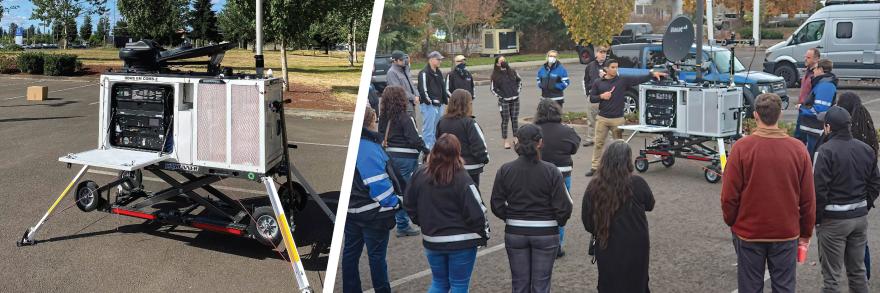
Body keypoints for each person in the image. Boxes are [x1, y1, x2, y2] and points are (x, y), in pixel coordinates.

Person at [721, 93, 816, 293]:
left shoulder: (741, 148)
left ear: (755, 115)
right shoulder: (798, 150)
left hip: (749, 231)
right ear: (780, 115)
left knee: (750, 286)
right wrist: (805, 232)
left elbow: (729, 195)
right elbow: (808, 198)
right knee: (784, 287)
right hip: (785, 232)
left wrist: (732, 221)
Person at [490, 124, 573, 293]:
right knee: (541, 285)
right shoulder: (551, 171)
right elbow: (565, 206)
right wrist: (556, 222)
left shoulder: (505, 170)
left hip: (515, 231)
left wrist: (511, 217)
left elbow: (496, 203)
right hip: (545, 232)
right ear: (540, 143)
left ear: (517, 142)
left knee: (519, 284)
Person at [405, 134, 490, 293]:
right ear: (457, 152)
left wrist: (422, 222)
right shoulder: (462, 177)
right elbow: (477, 210)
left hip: (432, 239)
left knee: (439, 283)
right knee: (459, 285)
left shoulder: (419, 174)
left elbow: (409, 203)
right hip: (462, 241)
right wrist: (484, 234)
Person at [812, 106, 880, 293]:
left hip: (833, 221)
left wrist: (817, 219)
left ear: (828, 127)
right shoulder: (866, 149)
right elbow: (875, 183)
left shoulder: (825, 151)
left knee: (832, 278)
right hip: (859, 219)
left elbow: (818, 190)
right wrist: (863, 206)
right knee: (858, 272)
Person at [343, 107, 406, 293]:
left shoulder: (354, 144)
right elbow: (379, 186)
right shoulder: (368, 148)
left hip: (351, 212)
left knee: (350, 255)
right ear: (370, 122)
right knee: (376, 258)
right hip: (372, 214)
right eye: (376, 120)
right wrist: (397, 202)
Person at [582, 140, 655, 292]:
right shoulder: (637, 183)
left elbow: (588, 221)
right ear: (627, 160)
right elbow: (650, 205)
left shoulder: (594, 186)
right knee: (637, 282)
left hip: (607, 242)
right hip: (636, 244)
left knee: (609, 282)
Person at [585, 59, 666, 177]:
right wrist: (602, 96)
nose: (615, 69)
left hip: (617, 119)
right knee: (598, 143)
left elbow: (638, 79)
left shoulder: (622, 80)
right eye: (612, 67)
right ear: (606, 69)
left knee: (619, 146)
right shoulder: (598, 82)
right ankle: (594, 167)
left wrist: (651, 74)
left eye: (616, 67)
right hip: (602, 118)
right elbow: (592, 98)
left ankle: (620, 168)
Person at [836, 92, 880, 280]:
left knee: (837, 246)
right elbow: (875, 178)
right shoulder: (867, 127)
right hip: (861, 202)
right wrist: (868, 201)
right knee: (860, 243)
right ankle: (863, 278)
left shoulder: (845, 132)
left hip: (839, 204)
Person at [378, 86, 428, 237]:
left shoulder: (384, 117)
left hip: (389, 156)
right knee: (407, 191)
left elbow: (380, 136)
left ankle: (399, 221)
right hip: (406, 158)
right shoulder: (406, 117)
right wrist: (426, 150)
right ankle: (403, 224)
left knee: (396, 190)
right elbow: (414, 139)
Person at [534, 99, 580, 258]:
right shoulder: (566, 131)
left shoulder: (534, 130)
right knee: (560, 208)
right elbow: (574, 148)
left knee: (540, 207)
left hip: (538, 174)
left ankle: (538, 241)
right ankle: (557, 245)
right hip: (562, 174)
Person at [436, 89, 489, 188]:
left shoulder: (442, 121)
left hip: (449, 167)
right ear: (467, 105)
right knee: (471, 197)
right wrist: (484, 159)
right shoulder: (470, 123)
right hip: (470, 167)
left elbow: (438, 142)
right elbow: (479, 146)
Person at [799, 58, 838, 156]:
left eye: (815, 68)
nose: (813, 71)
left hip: (817, 131)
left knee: (814, 159)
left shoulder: (825, 86)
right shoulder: (822, 83)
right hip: (814, 130)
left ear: (821, 69)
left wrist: (802, 108)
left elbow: (820, 111)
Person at [418, 51, 449, 149]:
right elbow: (423, 90)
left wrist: (445, 100)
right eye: (438, 59)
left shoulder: (438, 72)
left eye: (440, 59)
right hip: (429, 106)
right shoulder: (424, 73)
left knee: (437, 129)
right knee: (428, 129)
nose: (440, 61)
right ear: (431, 59)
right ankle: (427, 150)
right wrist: (430, 102)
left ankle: (435, 149)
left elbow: (443, 88)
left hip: (439, 105)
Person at [490, 55, 522, 149]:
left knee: (515, 120)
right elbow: (493, 89)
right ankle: (505, 141)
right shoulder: (495, 75)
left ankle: (516, 139)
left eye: (504, 60)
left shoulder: (513, 72)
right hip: (504, 101)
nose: (503, 62)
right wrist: (501, 96)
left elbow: (519, 82)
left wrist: (517, 91)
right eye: (501, 61)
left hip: (515, 99)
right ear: (497, 64)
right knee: (505, 121)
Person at [581, 45, 609, 147]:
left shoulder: (609, 65)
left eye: (604, 53)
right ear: (596, 53)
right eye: (601, 52)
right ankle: (591, 138)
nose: (603, 55)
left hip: (606, 97)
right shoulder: (590, 66)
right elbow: (586, 80)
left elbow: (616, 79)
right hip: (593, 97)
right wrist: (588, 93)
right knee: (591, 119)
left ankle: (606, 139)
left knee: (606, 119)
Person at [794, 48, 821, 144]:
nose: (805, 59)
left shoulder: (816, 75)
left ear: (816, 59)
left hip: (808, 111)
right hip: (802, 110)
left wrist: (806, 107)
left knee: (802, 138)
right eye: (805, 57)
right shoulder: (808, 71)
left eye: (808, 57)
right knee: (798, 138)